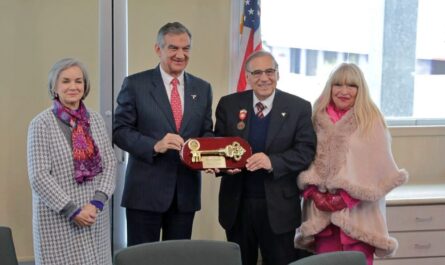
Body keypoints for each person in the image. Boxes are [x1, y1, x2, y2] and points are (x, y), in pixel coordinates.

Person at [294, 63, 409, 265]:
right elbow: (305, 159)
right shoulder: (315, 118)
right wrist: (313, 192)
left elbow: (379, 169)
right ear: (330, 87)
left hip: (358, 217)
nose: (344, 91)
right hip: (322, 218)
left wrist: (346, 198)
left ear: (360, 89)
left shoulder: (371, 120)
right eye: (338, 84)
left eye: (351, 86)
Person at [113, 22, 213, 246]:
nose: (180, 54)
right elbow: (120, 131)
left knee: (177, 258)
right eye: (173, 48)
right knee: (142, 260)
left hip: (185, 195)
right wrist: (154, 145)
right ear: (158, 49)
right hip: (144, 193)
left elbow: (206, 132)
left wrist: (213, 156)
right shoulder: (135, 84)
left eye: (185, 48)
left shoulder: (203, 88)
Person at [214, 50, 316, 265]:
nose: (264, 78)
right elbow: (218, 147)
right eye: (257, 72)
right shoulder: (229, 105)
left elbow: (306, 151)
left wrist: (273, 162)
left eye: (270, 71)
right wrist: (222, 167)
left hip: (279, 208)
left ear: (278, 74)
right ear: (247, 76)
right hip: (237, 205)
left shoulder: (299, 108)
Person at [27, 58, 116, 265]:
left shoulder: (95, 119)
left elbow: (110, 164)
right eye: (66, 81)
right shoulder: (40, 124)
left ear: (85, 86)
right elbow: (39, 176)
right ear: (54, 87)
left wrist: (96, 203)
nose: (73, 87)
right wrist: (73, 211)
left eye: (78, 81)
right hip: (59, 219)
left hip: (95, 215)